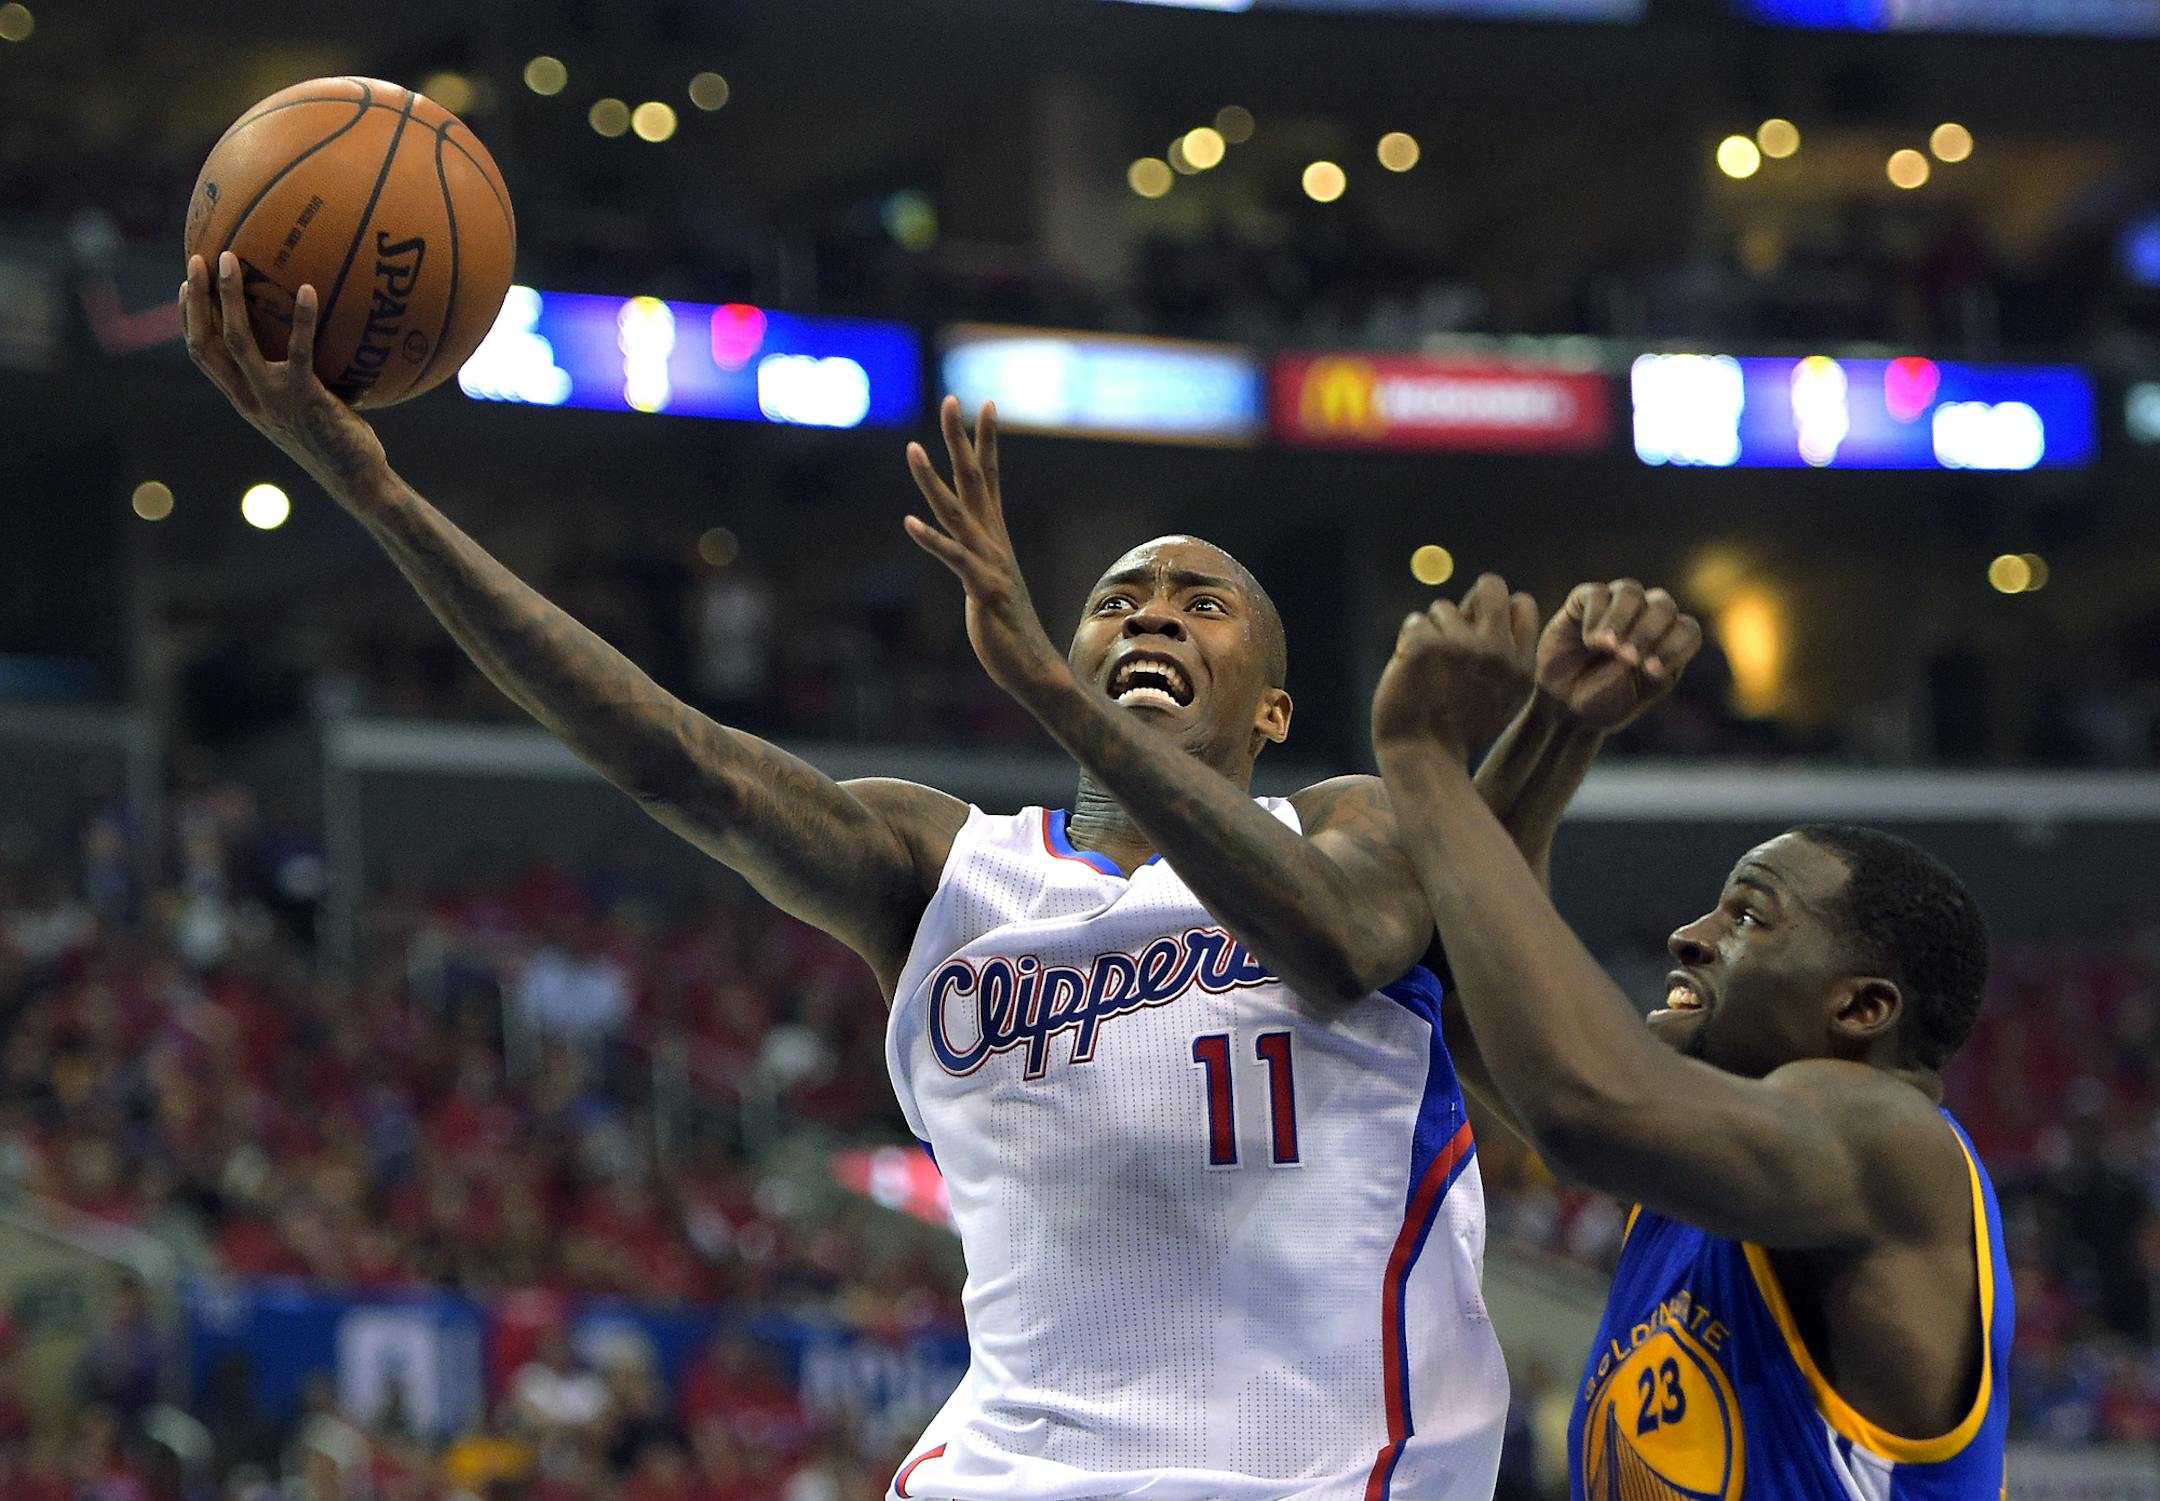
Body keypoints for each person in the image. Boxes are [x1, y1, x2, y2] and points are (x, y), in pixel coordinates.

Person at [180, 254, 1667, 1500]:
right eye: (1115, 600)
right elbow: (669, 756)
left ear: (1272, 709)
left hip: (1320, 1472)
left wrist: (1054, 693)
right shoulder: (943, 865)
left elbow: (1345, 941)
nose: (1149, 615)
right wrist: (375, 491)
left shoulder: (1348, 819)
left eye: (1200, 602)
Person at [1371, 574, 2011, 1500]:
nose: (1689, 935)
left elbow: (1582, 1102)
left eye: (1747, 915)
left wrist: (1426, 758)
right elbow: (1466, 997)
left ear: (1861, 1010)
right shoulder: (1709, 1187)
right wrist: (1559, 726)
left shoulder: (1888, 1138)